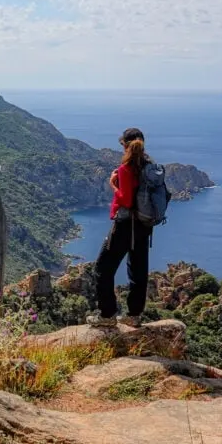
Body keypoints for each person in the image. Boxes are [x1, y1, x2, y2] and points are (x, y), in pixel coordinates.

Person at [87, 127, 152, 328]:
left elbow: (125, 200)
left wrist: (113, 184)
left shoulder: (126, 169)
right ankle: (134, 315)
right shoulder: (150, 166)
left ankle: (107, 316)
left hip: (125, 225)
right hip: (144, 225)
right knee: (138, 270)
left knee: (103, 268)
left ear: (125, 145)